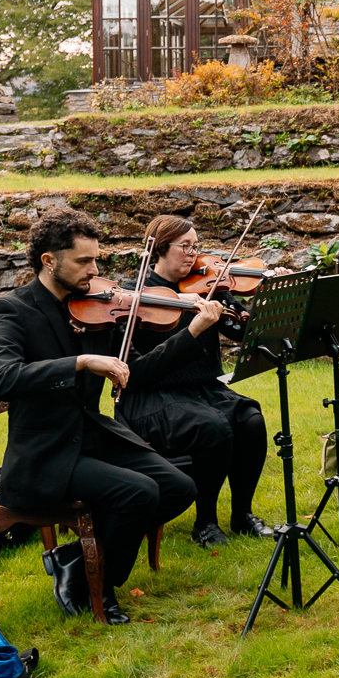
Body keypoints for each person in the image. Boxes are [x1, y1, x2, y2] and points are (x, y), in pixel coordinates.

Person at [0, 207, 201, 625]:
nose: (95, 269)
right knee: (138, 493)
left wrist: (191, 333)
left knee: (177, 487)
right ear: (49, 261)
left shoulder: (97, 307)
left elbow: (137, 372)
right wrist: (80, 362)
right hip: (44, 451)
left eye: (96, 259)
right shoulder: (13, 310)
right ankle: (95, 583)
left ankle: (77, 558)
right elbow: (3, 380)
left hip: (90, 432)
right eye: (84, 261)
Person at [119, 214, 273, 548]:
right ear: (160, 249)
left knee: (250, 419)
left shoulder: (205, 286)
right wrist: (194, 329)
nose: (193, 255)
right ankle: (204, 523)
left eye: (196, 246)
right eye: (184, 247)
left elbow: (244, 331)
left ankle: (242, 515)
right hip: (150, 396)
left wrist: (264, 297)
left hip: (201, 389)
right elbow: (138, 373)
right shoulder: (133, 296)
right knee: (212, 427)